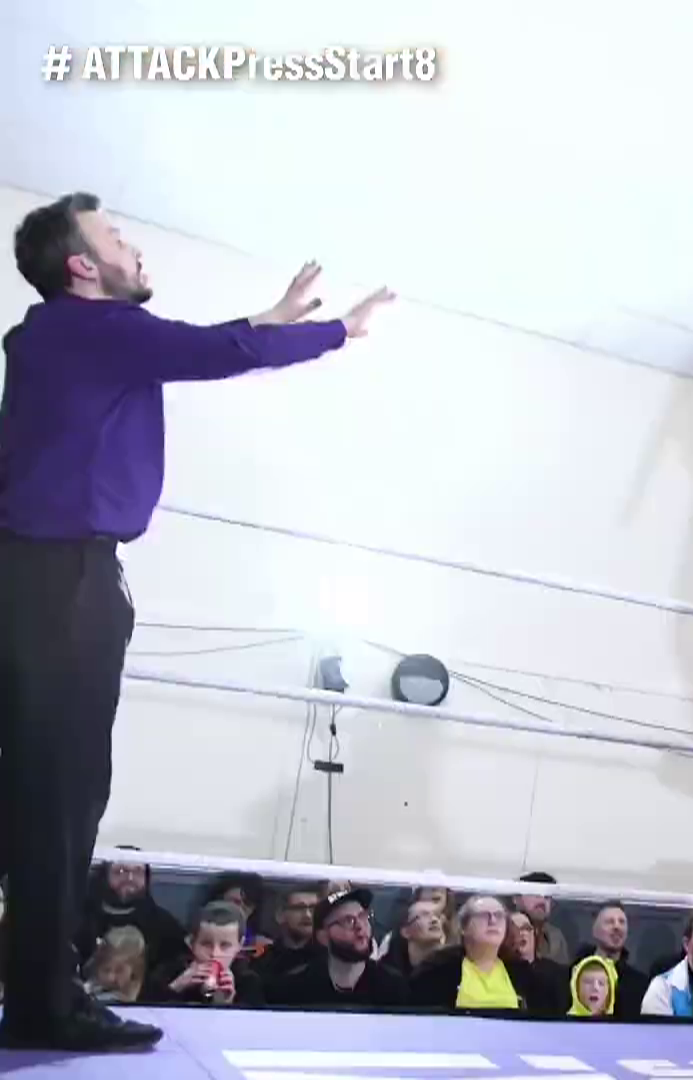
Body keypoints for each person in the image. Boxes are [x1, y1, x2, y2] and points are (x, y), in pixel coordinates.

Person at [0, 194, 392, 1051]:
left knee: (40, 794)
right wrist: (338, 332)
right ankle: (43, 1004)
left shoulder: (62, 339)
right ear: (81, 266)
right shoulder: (89, 328)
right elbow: (217, 350)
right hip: (60, 581)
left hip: (44, 578)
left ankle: (37, 995)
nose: (133, 249)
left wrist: (272, 317)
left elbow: (208, 341)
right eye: (116, 239)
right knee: (59, 799)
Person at [265, 888, 409, 1008]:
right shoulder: (294, 988)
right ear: (323, 936)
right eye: (348, 921)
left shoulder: (393, 986)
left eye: (363, 916)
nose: (360, 926)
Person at [411, 895, 556, 1014]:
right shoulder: (438, 969)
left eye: (499, 916)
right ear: (464, 927)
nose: (493, 921)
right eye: (483, 915)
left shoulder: (524, 974)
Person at [144, 901, 264, 1007]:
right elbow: (145, 1011)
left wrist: (226, 1004)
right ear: (191, 943)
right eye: (206, 944)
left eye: (225, 945)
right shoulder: (168, 973)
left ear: (240, 945)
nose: (215, 954)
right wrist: (176, 987)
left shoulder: (248, 983)